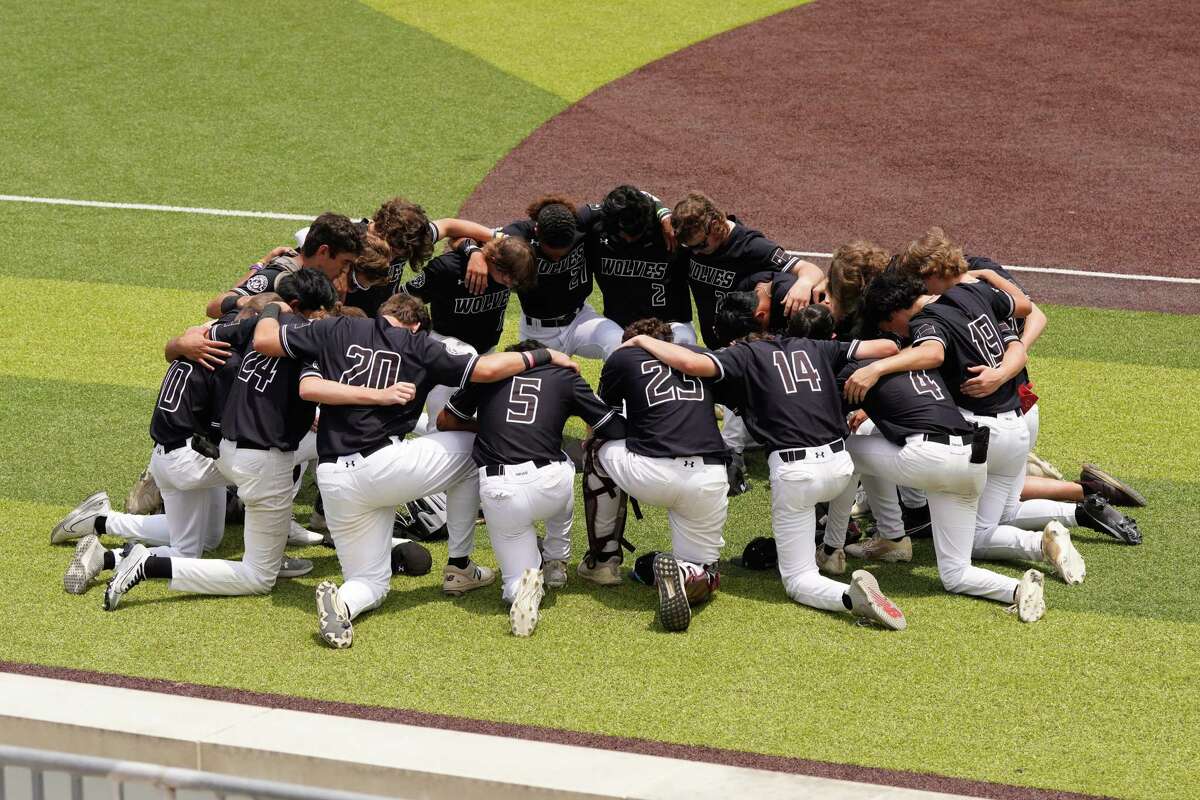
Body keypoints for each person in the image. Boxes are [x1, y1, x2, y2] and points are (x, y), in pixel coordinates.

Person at [251, 292, 580, 648]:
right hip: (386, 467)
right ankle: (459, 567)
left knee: (370, 583)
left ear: (382, 313)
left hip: (333, 480)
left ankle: (344, 602)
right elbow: (486, 369)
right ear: (417, 323)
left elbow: (264, 340)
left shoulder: (337, 326)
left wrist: (271, 306)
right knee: (475, 449)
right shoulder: (419, 343)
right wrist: (545, 354)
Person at [622, 300, 909, 630]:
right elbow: (887, 346)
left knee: (799, 580)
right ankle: (832, 548)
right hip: (841, 465)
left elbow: (690, 362)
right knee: (834, 477)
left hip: (797, 471)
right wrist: (869, 371)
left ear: (732, 340)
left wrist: (643, 340)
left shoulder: (743, 354)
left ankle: (850, 596)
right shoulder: (810, 343)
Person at [101, 269, 339, 611]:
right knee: (257, 577)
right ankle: (147, 564)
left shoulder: (243, 329)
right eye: (322, 311)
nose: (325, 317)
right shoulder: (303, 335)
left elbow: (196, 333)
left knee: (208, 539)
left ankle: (103, 528)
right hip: (232, 457)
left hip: (219, 452)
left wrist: (179, 344)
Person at [793, 304, 1047, 622]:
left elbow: (825, 430)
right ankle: (1016, 589)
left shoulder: (850, 373)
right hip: (972, 457)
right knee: (956, 574)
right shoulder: (910, 360)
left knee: (849, 450)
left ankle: (832, 551)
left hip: (931, 459)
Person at [847, 270, 1090, 583]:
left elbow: (932, 352)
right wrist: (1002, 374)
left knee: (873, 437)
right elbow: (1025, 310)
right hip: (1018, 426)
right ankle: (1078, 515)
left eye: (887, 326)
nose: (896, 335)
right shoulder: (970, 293)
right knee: (1002, 516)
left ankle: (896, 532)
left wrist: (877, 368)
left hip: (981, 434)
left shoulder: (926, 320)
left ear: (894, 313)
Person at [437, 340, 625, 636]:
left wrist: (487, 428)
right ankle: (555, 563)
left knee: (517, 577)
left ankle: (524, 590)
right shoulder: (564, 377)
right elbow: (614, 428)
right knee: (563, 462)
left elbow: (445, 421)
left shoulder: (488, 374)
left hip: (501, 491)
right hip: (550, 484)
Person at [583, 319, 729, 632]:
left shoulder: (622, 357)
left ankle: (604, 560)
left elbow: (599, 419)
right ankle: (689, 574)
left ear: (630, 341)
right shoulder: (698, 354)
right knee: (705, 569)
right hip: (710, 475)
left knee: (596, 446)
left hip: (652, 474)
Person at [404, 236, 537, 433]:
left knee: (467, 417)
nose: (511, 285)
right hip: (445, 349)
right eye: (510, 278)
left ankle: (412, 423)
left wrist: (472, 250)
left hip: (486, 351)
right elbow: (405, 298)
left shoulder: (507, 256)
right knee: (441, 424)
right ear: (494, 260)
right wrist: (416, 337)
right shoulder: (448, 268)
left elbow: (467, 238)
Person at [501, 195, 623, 359]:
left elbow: (630, 200)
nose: (557, 259)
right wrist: (472, 251)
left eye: (563, 251)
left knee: (621, 345)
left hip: (580, 319)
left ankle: (607, 385)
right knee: (546, 382)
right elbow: (473, 234)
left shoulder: (581, 221)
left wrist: (663, 214)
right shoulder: (521, 234)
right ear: (537, 231)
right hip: (537, 334)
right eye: (551, 252)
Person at [585, 185, 696, 345]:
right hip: (620, 327)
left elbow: (643, 196)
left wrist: (664, 213)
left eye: (636, 233)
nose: (630, 239)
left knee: (684, 341)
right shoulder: (598, 228)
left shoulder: (669, 233)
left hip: (670, 324)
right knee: (615, 347)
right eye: (625, 234)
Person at [204, 212, 363, 318]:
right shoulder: (280, 274)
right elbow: (214, 306)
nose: (346, 270)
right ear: (323, 252)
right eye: (345, 262)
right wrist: (252, 302)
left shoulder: (322, 279)